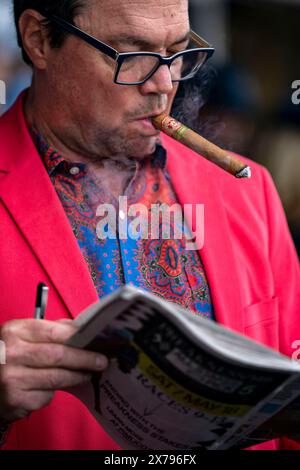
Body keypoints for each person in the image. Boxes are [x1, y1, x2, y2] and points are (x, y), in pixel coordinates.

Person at [0, 0, 299, 451]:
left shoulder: (247, 191)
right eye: (132, 54)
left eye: (178, 53)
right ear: (39, 39)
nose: (163, 87)